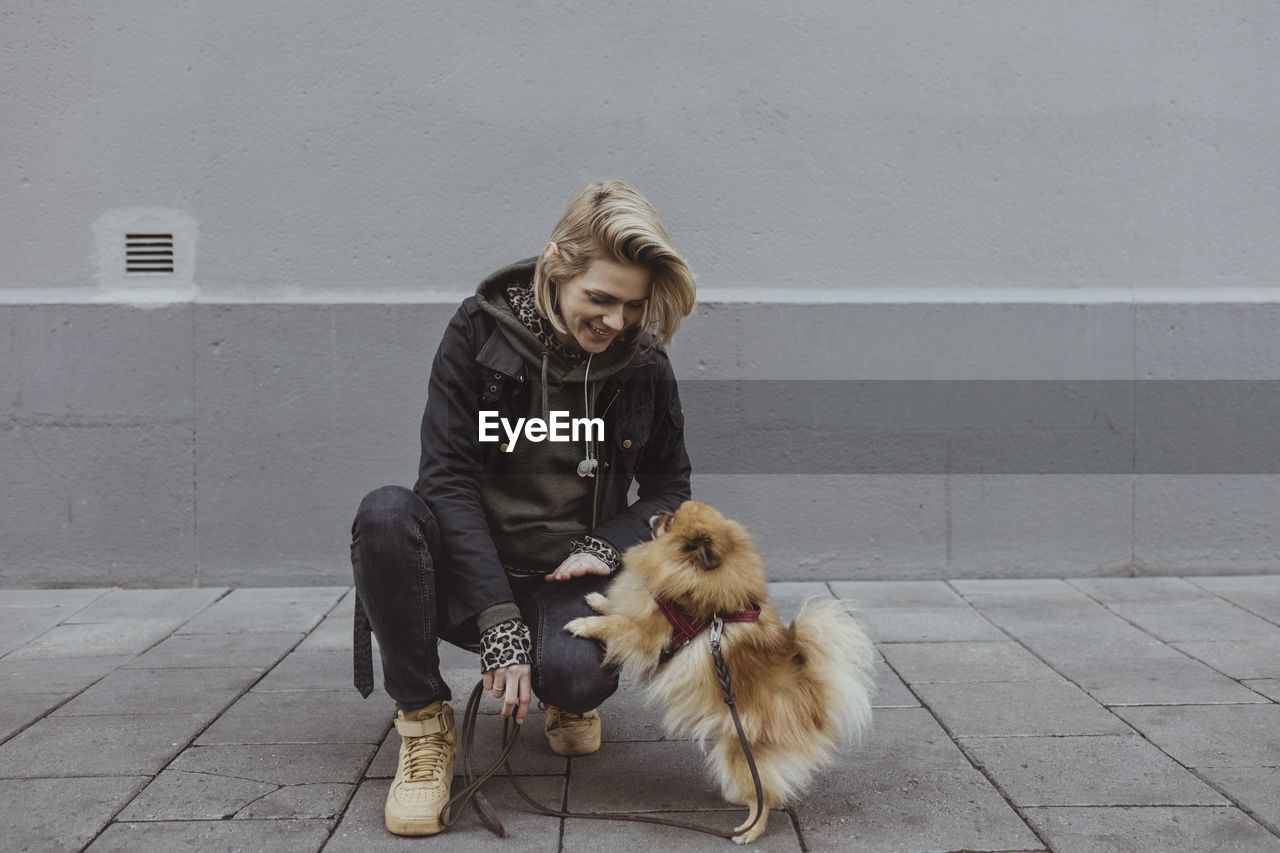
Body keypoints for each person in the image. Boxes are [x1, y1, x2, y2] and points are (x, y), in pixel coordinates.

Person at [350, 180, 696, 836]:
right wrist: (499, 623)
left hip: (570, 575)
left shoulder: (642, 362)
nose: (616, 321)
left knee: (576, 678)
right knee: (386, 514)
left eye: (632, 305)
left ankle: (562, 692)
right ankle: (423, 725)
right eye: (599, 298)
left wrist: (604, 545)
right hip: (470, 572)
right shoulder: (478, 334)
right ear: (554, 263)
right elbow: (446, 479)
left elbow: (668, 487)